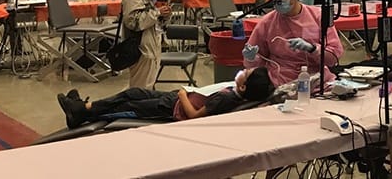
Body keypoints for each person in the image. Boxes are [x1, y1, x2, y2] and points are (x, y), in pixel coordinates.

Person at [56, 67, 274, 129]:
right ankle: (83, 106)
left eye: (248, 73)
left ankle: (81, 112)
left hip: (171, 109)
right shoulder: (231, 92)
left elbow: (195, 117)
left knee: (129, 105)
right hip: (174, 100)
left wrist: (182, 94)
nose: (245, 70)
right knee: (133, 92)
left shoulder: (226, 100)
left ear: (244, 86)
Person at [242, 0, 343, 87]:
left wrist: (313, 49)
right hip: (280, 82)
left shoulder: (318, 17)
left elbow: (333, 58)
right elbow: (256, 63)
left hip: (317, 80)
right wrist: (251, 58)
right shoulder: (267, 22)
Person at [122, 0, 171, 89]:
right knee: (140, 87)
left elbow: (159, 17)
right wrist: (157, 12)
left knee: (149, 84)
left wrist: (165, 14)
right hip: (140, 44)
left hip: (155, 39)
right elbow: (132, 21)